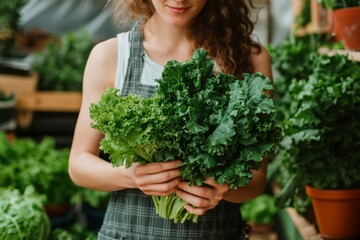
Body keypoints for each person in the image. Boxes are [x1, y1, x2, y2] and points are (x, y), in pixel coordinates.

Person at [68, 0, 273, 239]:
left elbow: (256, 181)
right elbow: (78, 164)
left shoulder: (248, 58)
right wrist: (130, 175)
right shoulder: (111, 56)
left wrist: (223, 189)